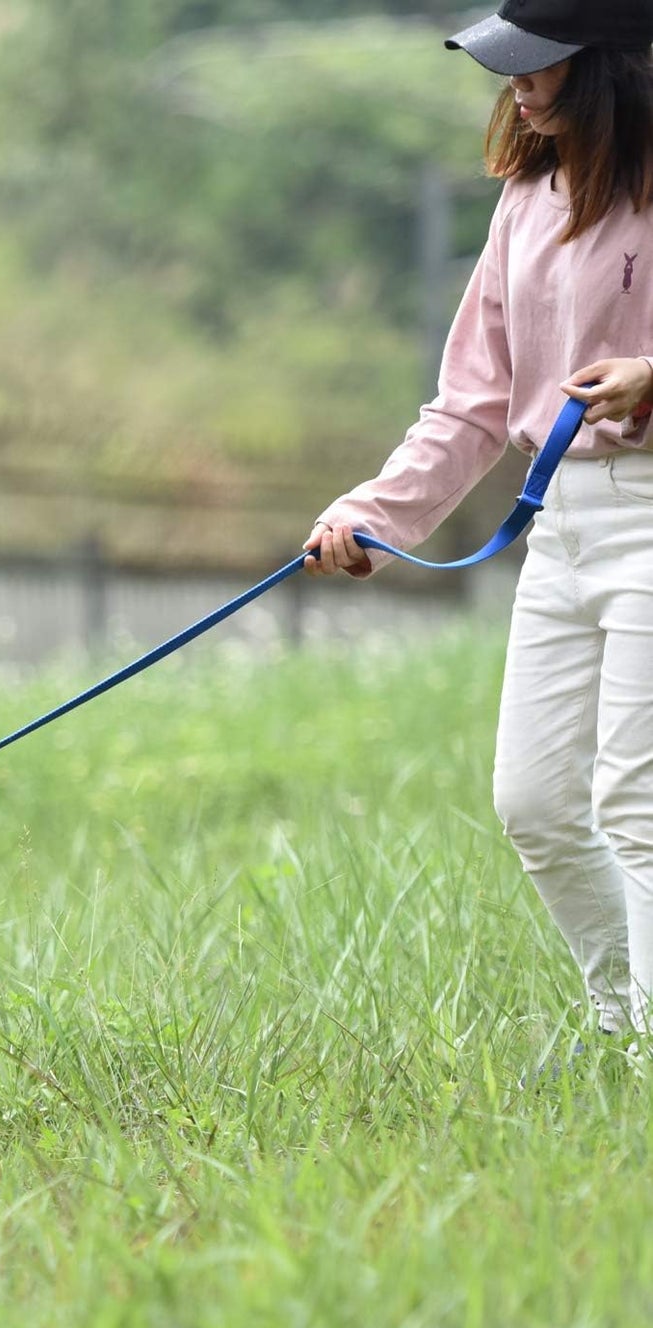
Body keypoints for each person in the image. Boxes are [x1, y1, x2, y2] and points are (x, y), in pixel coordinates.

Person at [303, 0, 653, 1038]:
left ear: (609, 65)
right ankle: (620, 1027)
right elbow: (469, 404)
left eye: (539, 65)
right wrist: (371, 515)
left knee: (635, 803)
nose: (516, 85)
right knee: (532, 803)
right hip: (559, 527)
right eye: (510, 64)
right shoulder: (523, 200)